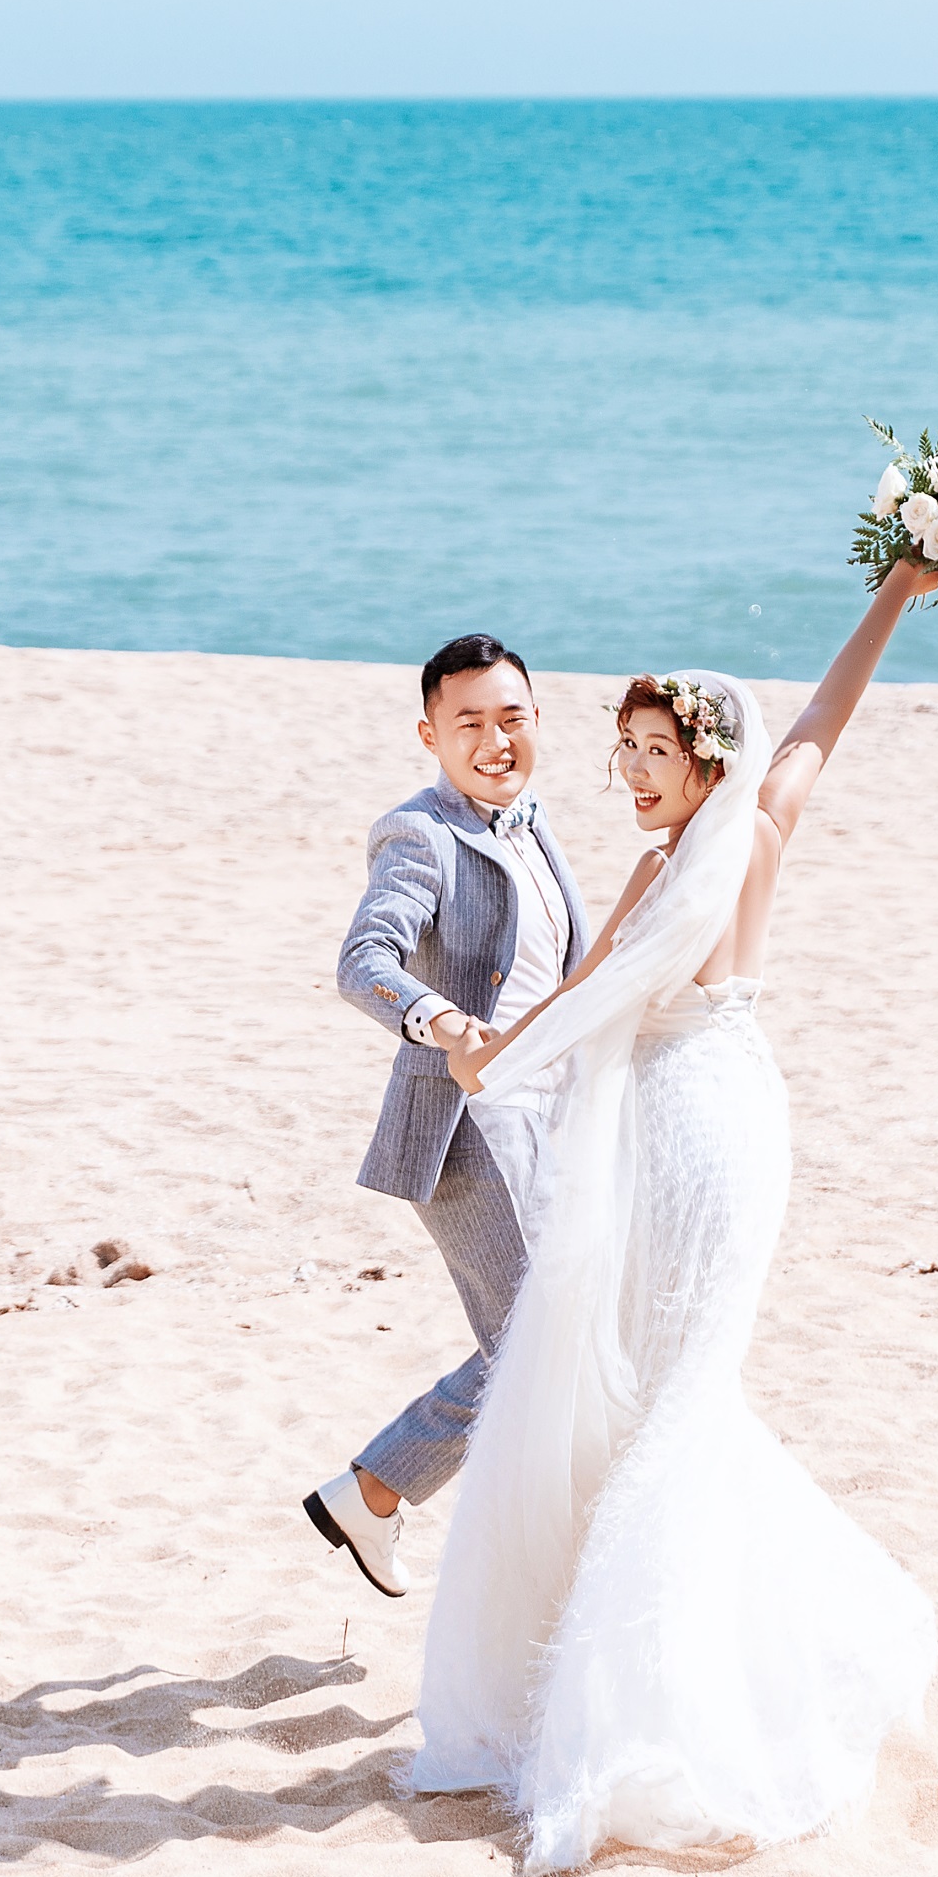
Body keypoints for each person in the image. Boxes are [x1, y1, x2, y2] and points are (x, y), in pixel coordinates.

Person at [411, 560, 938, 1875]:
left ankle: (661, 1715)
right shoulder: (749, 831)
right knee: (680, 1393)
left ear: (707, 759)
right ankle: (742, 1662)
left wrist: (482, 1061)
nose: (636, 774)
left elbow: (582, 996)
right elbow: (818, 725)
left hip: (692, 1134)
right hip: (739, 1108)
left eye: (656, 752)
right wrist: (894, 594)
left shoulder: (677, 867)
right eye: (626, 752)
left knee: (672, 1403)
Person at [307, 633, 590, 1598]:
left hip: (549, 1123)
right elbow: (364, 961)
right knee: (538, 1347)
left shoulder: (535, 828)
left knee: (552, 1342)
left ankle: (381, 1495)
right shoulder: (419, 833)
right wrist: (441, 1022)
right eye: (469, 722)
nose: (495, 740)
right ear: (430, 735)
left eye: (512, 718)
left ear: (538, 720)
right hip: (466, 1129)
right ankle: (375, 1492)